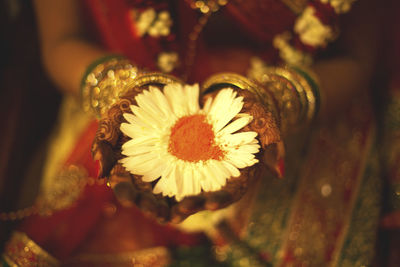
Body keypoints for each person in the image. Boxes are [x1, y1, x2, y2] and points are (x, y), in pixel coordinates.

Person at [2, 0, 398, 266]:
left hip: (308, 101)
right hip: (130, 97)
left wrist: (274, 102)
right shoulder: (131, 107)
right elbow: (60, 41)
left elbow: (357, 57)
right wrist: (118, 91)